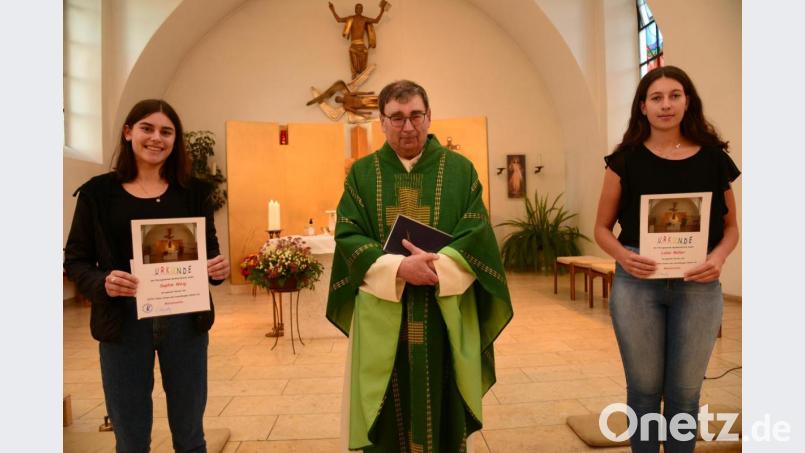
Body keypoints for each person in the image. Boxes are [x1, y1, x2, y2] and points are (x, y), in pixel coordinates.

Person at [326, 80, 513, 452]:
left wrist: (434, 268)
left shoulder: (459, 170)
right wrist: (397, 269)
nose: (407, 126)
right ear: (381, 121)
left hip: (443, 308)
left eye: (415, 116)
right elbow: (348, 234)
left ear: (429, 116)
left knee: (442, 405)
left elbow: (476, 231)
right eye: (396, 117)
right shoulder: (362, 175)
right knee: (386, 411)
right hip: (384, 313)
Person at [64, 99, 230, 452]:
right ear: (128, 133)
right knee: (131, 437)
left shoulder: (193, 193)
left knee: (190, 435)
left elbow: (209, 253)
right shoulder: (98, 194)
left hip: (185, 322)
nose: (157, 138)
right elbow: (76, 261)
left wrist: (216, 269)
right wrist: (103, 282)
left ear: (176, 140)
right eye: (147, 128)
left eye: (166, 132)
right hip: (122, 324)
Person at [594, 66, 740, 452]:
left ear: (688, 100)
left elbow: (731, 229)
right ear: (642, 106)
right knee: (643, 393)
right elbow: (602, 229)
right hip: (638, 283)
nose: (666, 104)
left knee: (685, 395)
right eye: (656, 97)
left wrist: (719, 258)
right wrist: (624, 256)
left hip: (699, 284)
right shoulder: (624, 161)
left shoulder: (713, 159)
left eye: (675, 95)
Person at [328, 1, 389, 78]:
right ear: (355, 9)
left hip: (362, 45)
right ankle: (354, 75)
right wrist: (332, 10)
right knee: (353, 60)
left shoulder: (364, 19)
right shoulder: (350, 18)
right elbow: (339, 19)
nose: (359, 9)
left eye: (360, 8)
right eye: (357, 8)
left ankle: (361, 72)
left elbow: (376, 21)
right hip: (354, 45)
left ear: (362, 10)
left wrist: (382, 11)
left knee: (365, 54)